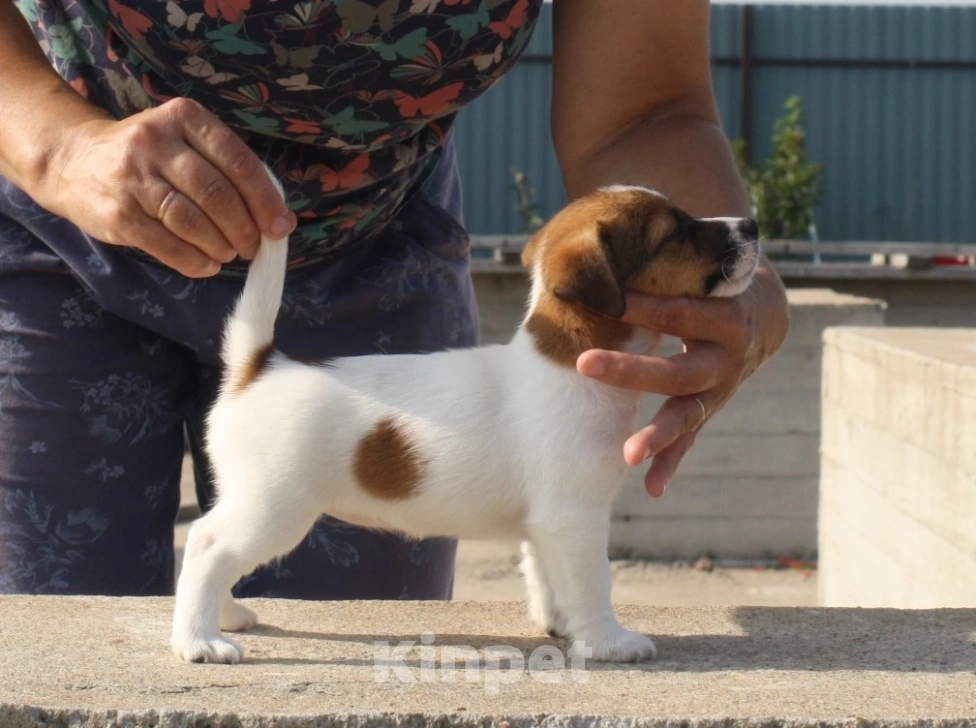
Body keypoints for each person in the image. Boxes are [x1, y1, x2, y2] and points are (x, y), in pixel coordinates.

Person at [0, 0, 790, 597]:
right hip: (62, 235)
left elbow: (645, 109)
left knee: (376, 665)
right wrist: (57, 146)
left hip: (377, 250)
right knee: (56, 645)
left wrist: (731, 287)